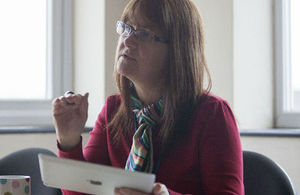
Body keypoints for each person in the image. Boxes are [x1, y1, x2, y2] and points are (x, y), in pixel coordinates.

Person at [52, 0, 244, 194]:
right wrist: (69, 140)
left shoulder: (212, 115)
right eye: (126, 28)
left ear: (177, 49)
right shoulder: (113, 109)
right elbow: (85, 191)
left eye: (143, 34)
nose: (127, 40)